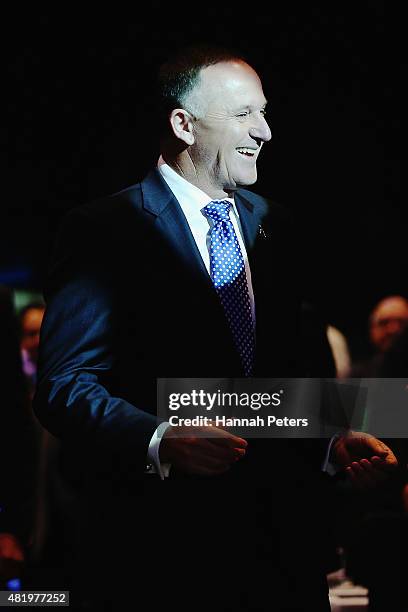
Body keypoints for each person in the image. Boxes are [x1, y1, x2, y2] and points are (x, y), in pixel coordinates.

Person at [33, 45, 398, 611]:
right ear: (183, 123)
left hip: (284, 551)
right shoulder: (103, 230)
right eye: (244, 114)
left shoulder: (279, 225)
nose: (266, 132)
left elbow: (289, 377)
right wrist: (161, 436)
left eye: (265, 112)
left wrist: (334, 436)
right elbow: (64, 386)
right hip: (163, 551)